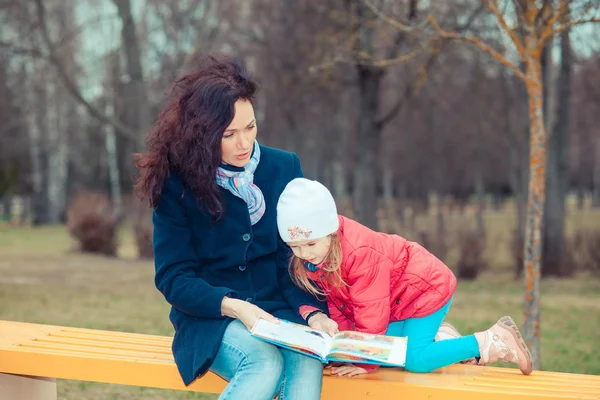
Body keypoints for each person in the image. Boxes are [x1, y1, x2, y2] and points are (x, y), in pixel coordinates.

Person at [134, 54, 338, 400]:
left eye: (250, 127)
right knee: (264, 363)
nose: (244, 144)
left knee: (306, 361)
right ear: (203, 134)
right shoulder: (176, 184)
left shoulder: (283, 167)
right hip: (213, 317)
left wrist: (314, 313)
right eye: (228, 134)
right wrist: (234, 306)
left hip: (281, 313)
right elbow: (173, 277)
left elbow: (291, 259)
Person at [276, 178, 534, 377]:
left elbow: (371, 315)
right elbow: (340, 305)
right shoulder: (319, 256)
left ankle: (493, 340)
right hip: (398, 300)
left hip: (425, 289)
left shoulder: (360, 254)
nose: (304, 254)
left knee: (415, 360)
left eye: (310, 244)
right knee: (392, 348)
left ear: (331, 232)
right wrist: (345, 349)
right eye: (294, 247)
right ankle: (443, 340)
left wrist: (365, 363)